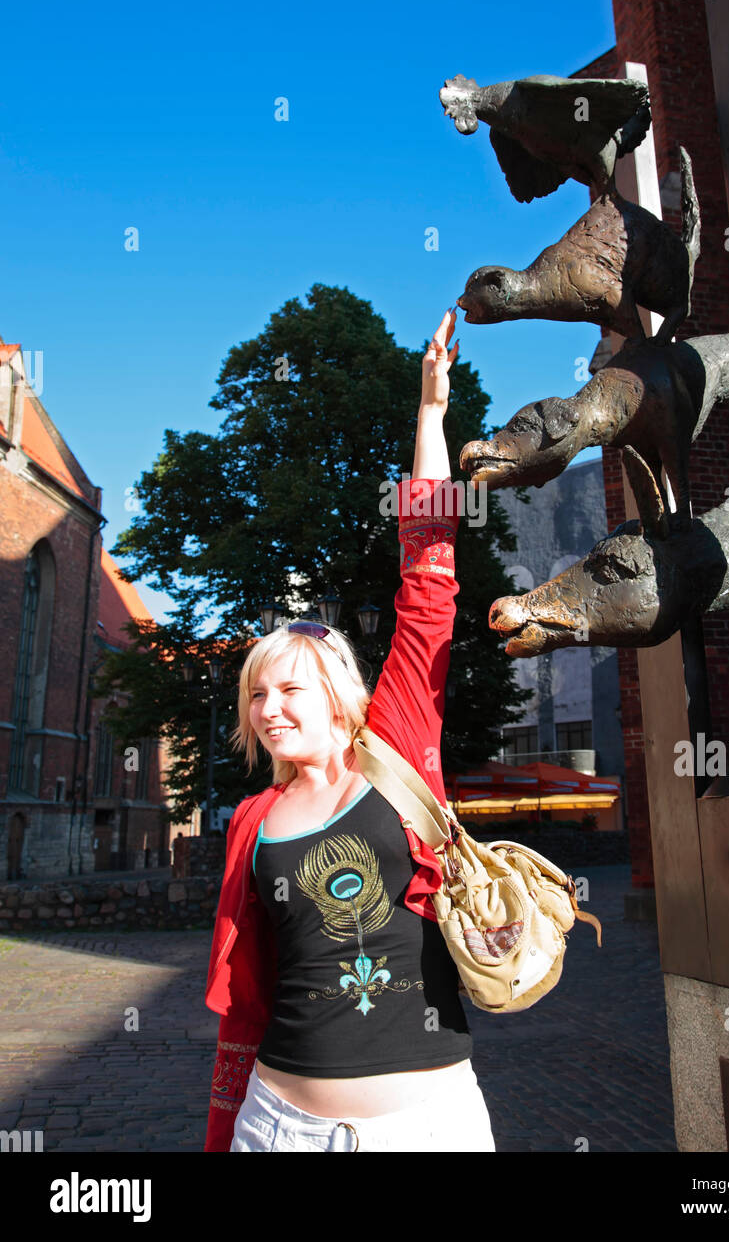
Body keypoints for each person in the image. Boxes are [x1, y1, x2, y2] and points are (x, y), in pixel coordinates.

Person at [203, 307, 496, 1152]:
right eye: (255, 697)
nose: (267, 709)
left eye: (287, 688)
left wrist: (431, 416)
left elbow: (429, 579)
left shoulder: (397, 741)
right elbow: (246, 996)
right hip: (279, 1124)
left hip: (426, 1129)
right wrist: (226, 1133)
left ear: (337, 693)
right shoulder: (252, 822)